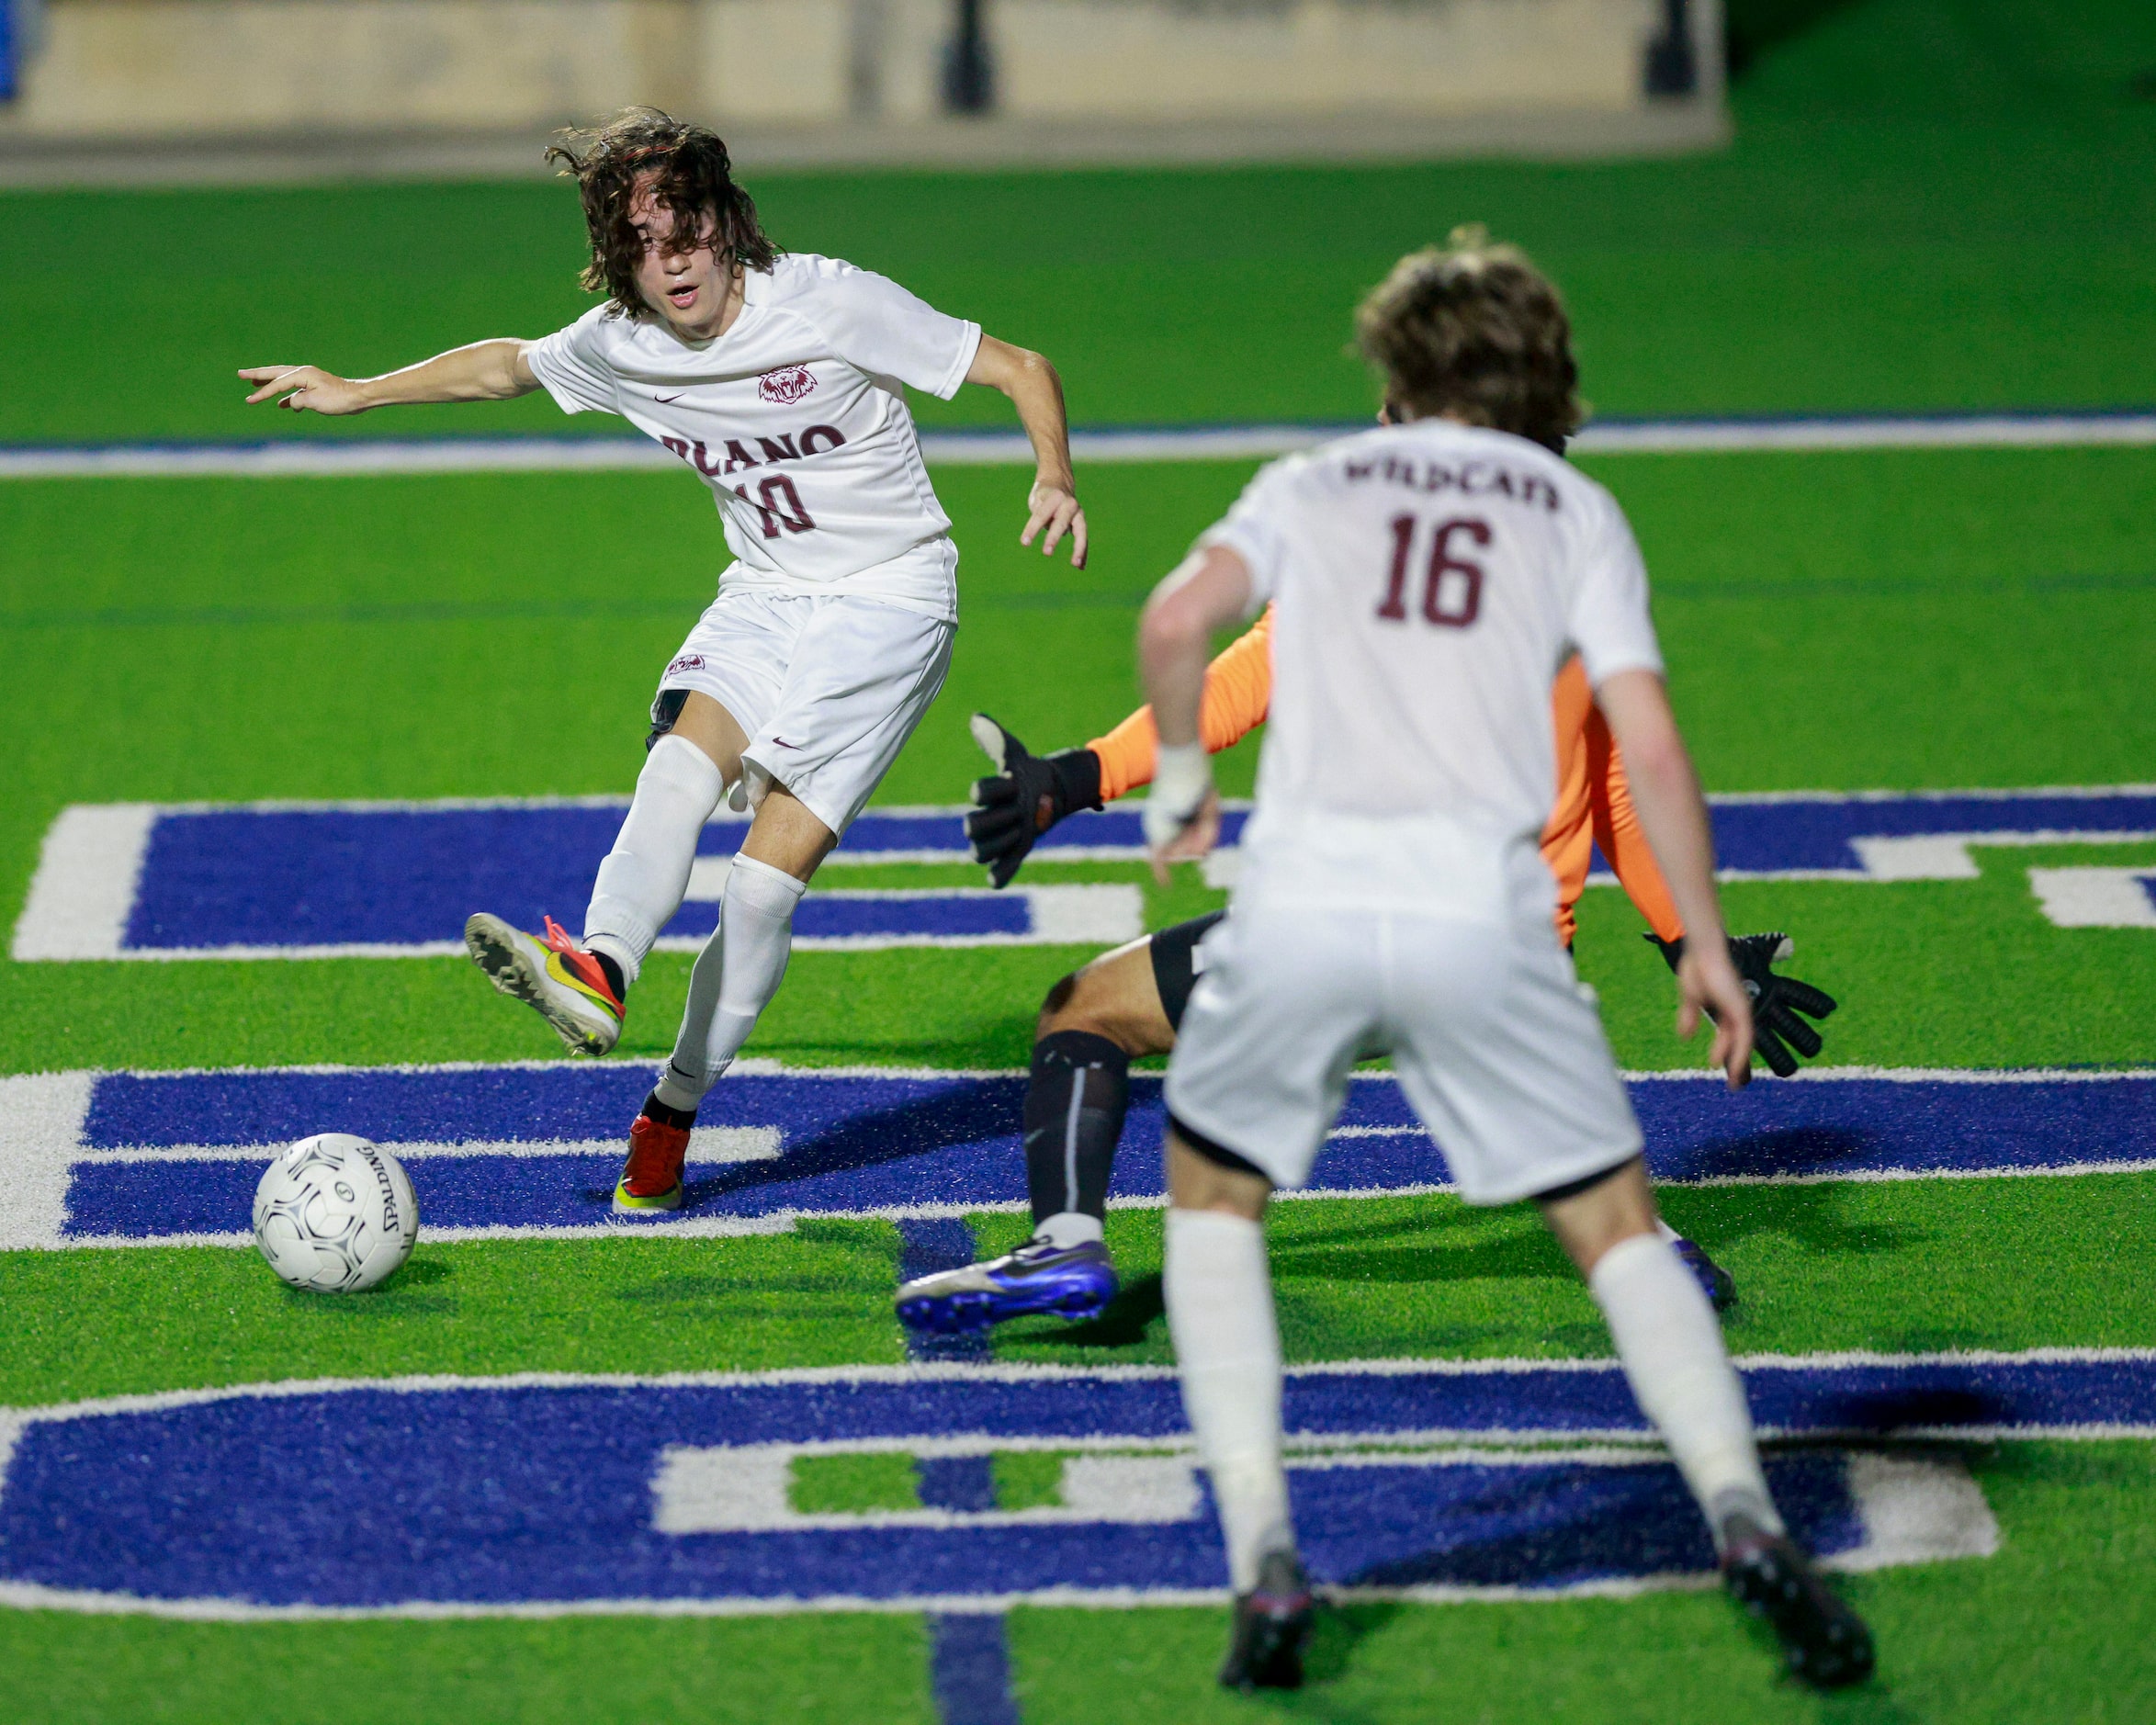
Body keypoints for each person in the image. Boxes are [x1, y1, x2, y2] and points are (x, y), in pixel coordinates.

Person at [1134, 231, 1873, 1690]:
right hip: (1485, 916)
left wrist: (1171, 777)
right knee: (1612, 1228)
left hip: (1303, 906)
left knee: (1213, 1204)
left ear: (1398, 366)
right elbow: (1645, 741)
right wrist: (1702, 944)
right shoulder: (1571, 512)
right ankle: (1743, 1520)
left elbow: (1174, 621)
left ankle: (1267, 1561)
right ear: (1540, 374)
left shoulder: (1311, 483)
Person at [240, 109, 1087, 1215]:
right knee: (678, 767)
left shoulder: (824, 299)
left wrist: (1052, 476)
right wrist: (356, 388)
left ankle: (673, 1108)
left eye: (681, 230)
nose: (668, 262)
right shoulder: (626, 340)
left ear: (722, 223)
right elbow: (507, 367)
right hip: (766, 594)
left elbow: (1023, 367)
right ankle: (599, 969)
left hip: (888, 602)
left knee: (757, 896)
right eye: (639, 242)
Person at [895, 599, 1836, 1336]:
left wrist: (1075, 778)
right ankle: (1653, 1270)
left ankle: (1065, 1249)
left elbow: (1234, 689)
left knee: (1087, 1014)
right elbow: (1618, 794)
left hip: (1352, 929)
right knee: (1574, 1181)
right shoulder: (1577, 571)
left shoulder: (1364, 534)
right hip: (1512, 959)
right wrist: (1688, 943)